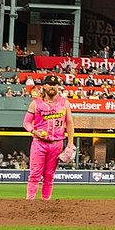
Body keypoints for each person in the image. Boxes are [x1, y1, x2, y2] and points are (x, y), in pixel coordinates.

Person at [23, 74, 73, 204]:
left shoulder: (64, 102)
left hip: (57, 143)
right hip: (39, 143)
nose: (52, 86)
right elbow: (26, 123)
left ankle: (46, 203)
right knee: (35, 174)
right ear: (44, 86)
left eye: (55, 84)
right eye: (50, 84)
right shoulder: (35, 103)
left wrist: (70, 144)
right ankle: (30, 203)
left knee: (49, 176)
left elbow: (70, 123)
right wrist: (34, 131)